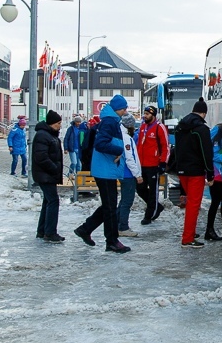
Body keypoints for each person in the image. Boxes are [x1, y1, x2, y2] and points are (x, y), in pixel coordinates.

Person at [73, 95, 138, 254]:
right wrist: (119, 150)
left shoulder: (110, 120)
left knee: (109, 205)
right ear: (117, 108)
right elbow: (101, 144)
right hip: (105, 170)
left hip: (106, 169)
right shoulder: (110, 122)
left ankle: (85, 229)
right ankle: (112, 241)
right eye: (123, 108)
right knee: (110, 207)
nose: (125, 111)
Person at [172, 98, 213, 249]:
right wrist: (210, 174)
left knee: (190, 203)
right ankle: (187, 238)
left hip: (182, 170)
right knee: (193, 205)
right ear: (203, 113)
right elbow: (206, 152)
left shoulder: (180, 127)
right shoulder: (201, 129)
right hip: (196, 171)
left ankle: (190, 231)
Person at [31, 110, 64, 242]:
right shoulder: (42, 136)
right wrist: (54, 168)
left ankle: (42, 230)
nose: (60, 125)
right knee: (53, 201)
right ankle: (50, 232)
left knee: (48, 201)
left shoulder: (49, 134)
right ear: (51, 123)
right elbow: (41, 157)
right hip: (45, 174)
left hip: (48, 174)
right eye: (58, 123)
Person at [136, 105, 169, 224]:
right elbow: (139, 143)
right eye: (144, 113)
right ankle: (157, 207)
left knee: (153, 191)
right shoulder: (142, 126)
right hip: (141, 164)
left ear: (153, 115)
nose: (145, 116)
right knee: (140, 189)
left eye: (147, 114)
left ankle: (149, 215)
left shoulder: (159, 127)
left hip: (153, 164)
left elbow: (165, 146)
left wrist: (163, 162)